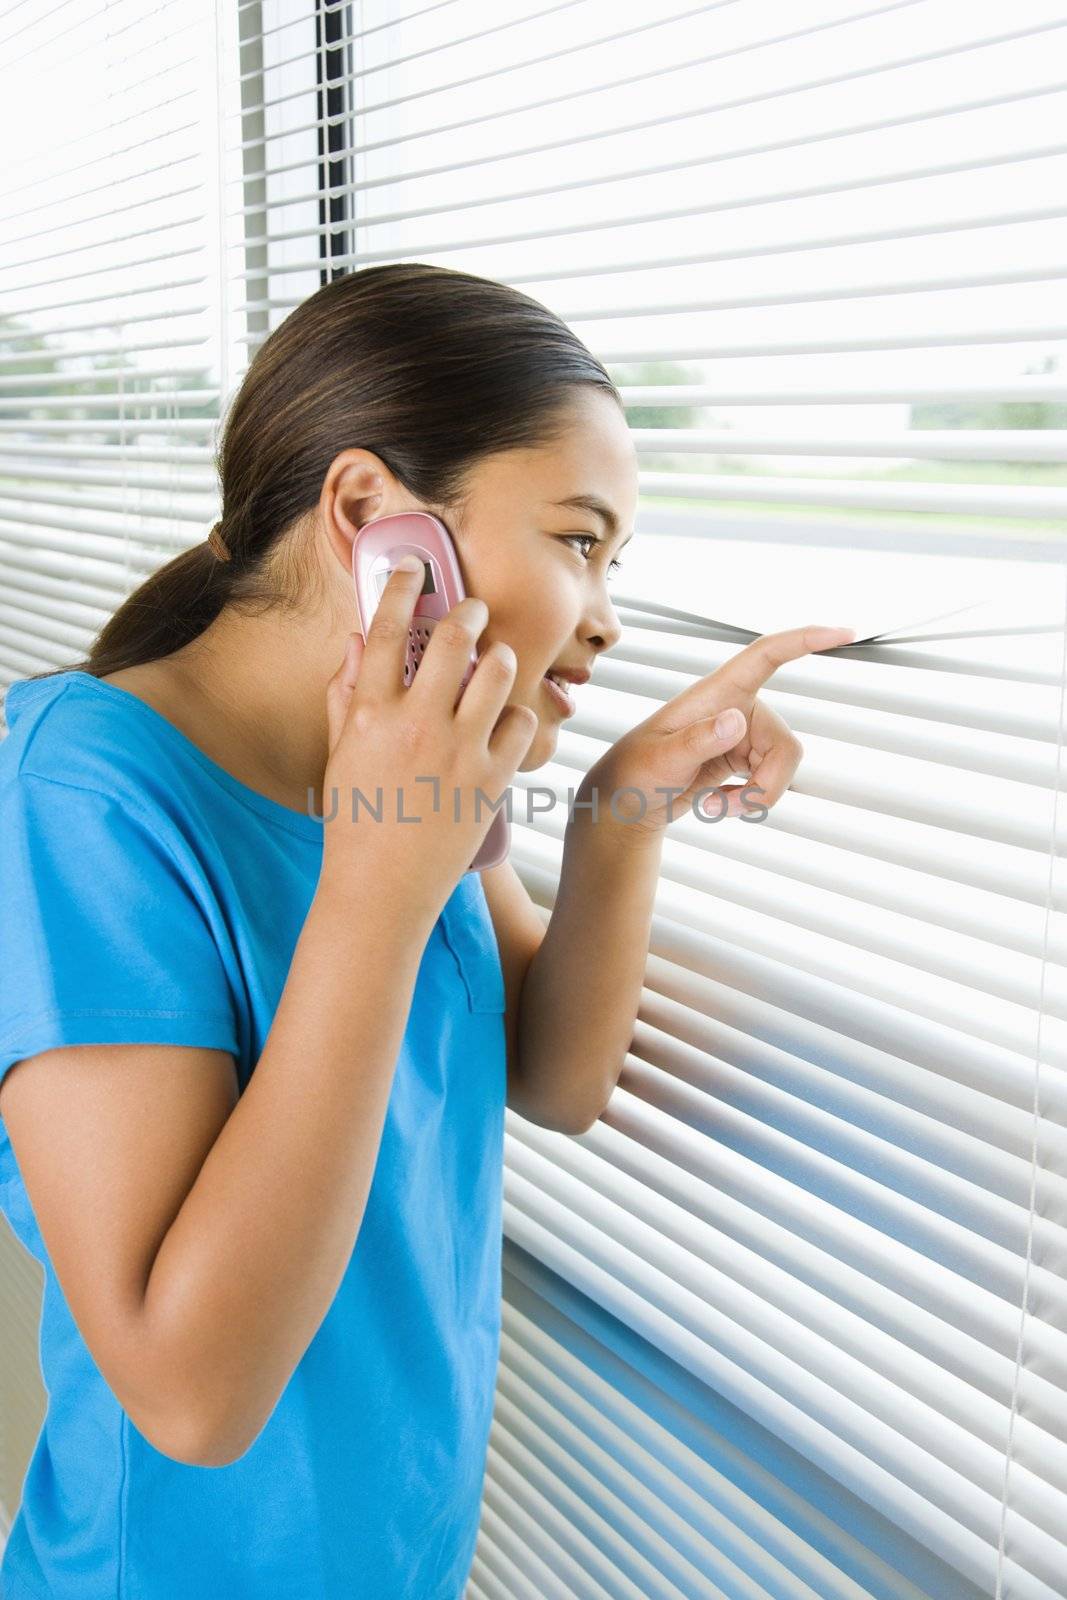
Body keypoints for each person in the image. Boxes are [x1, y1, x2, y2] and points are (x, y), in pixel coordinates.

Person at [0, 261, 852, 1598]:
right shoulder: (81, 790)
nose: (608, 618)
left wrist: (616, 814)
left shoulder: (413, 772)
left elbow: (556, 1078)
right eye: (580, 541)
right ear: (370, 515)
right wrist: (380, 878)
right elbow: (191, 1396)